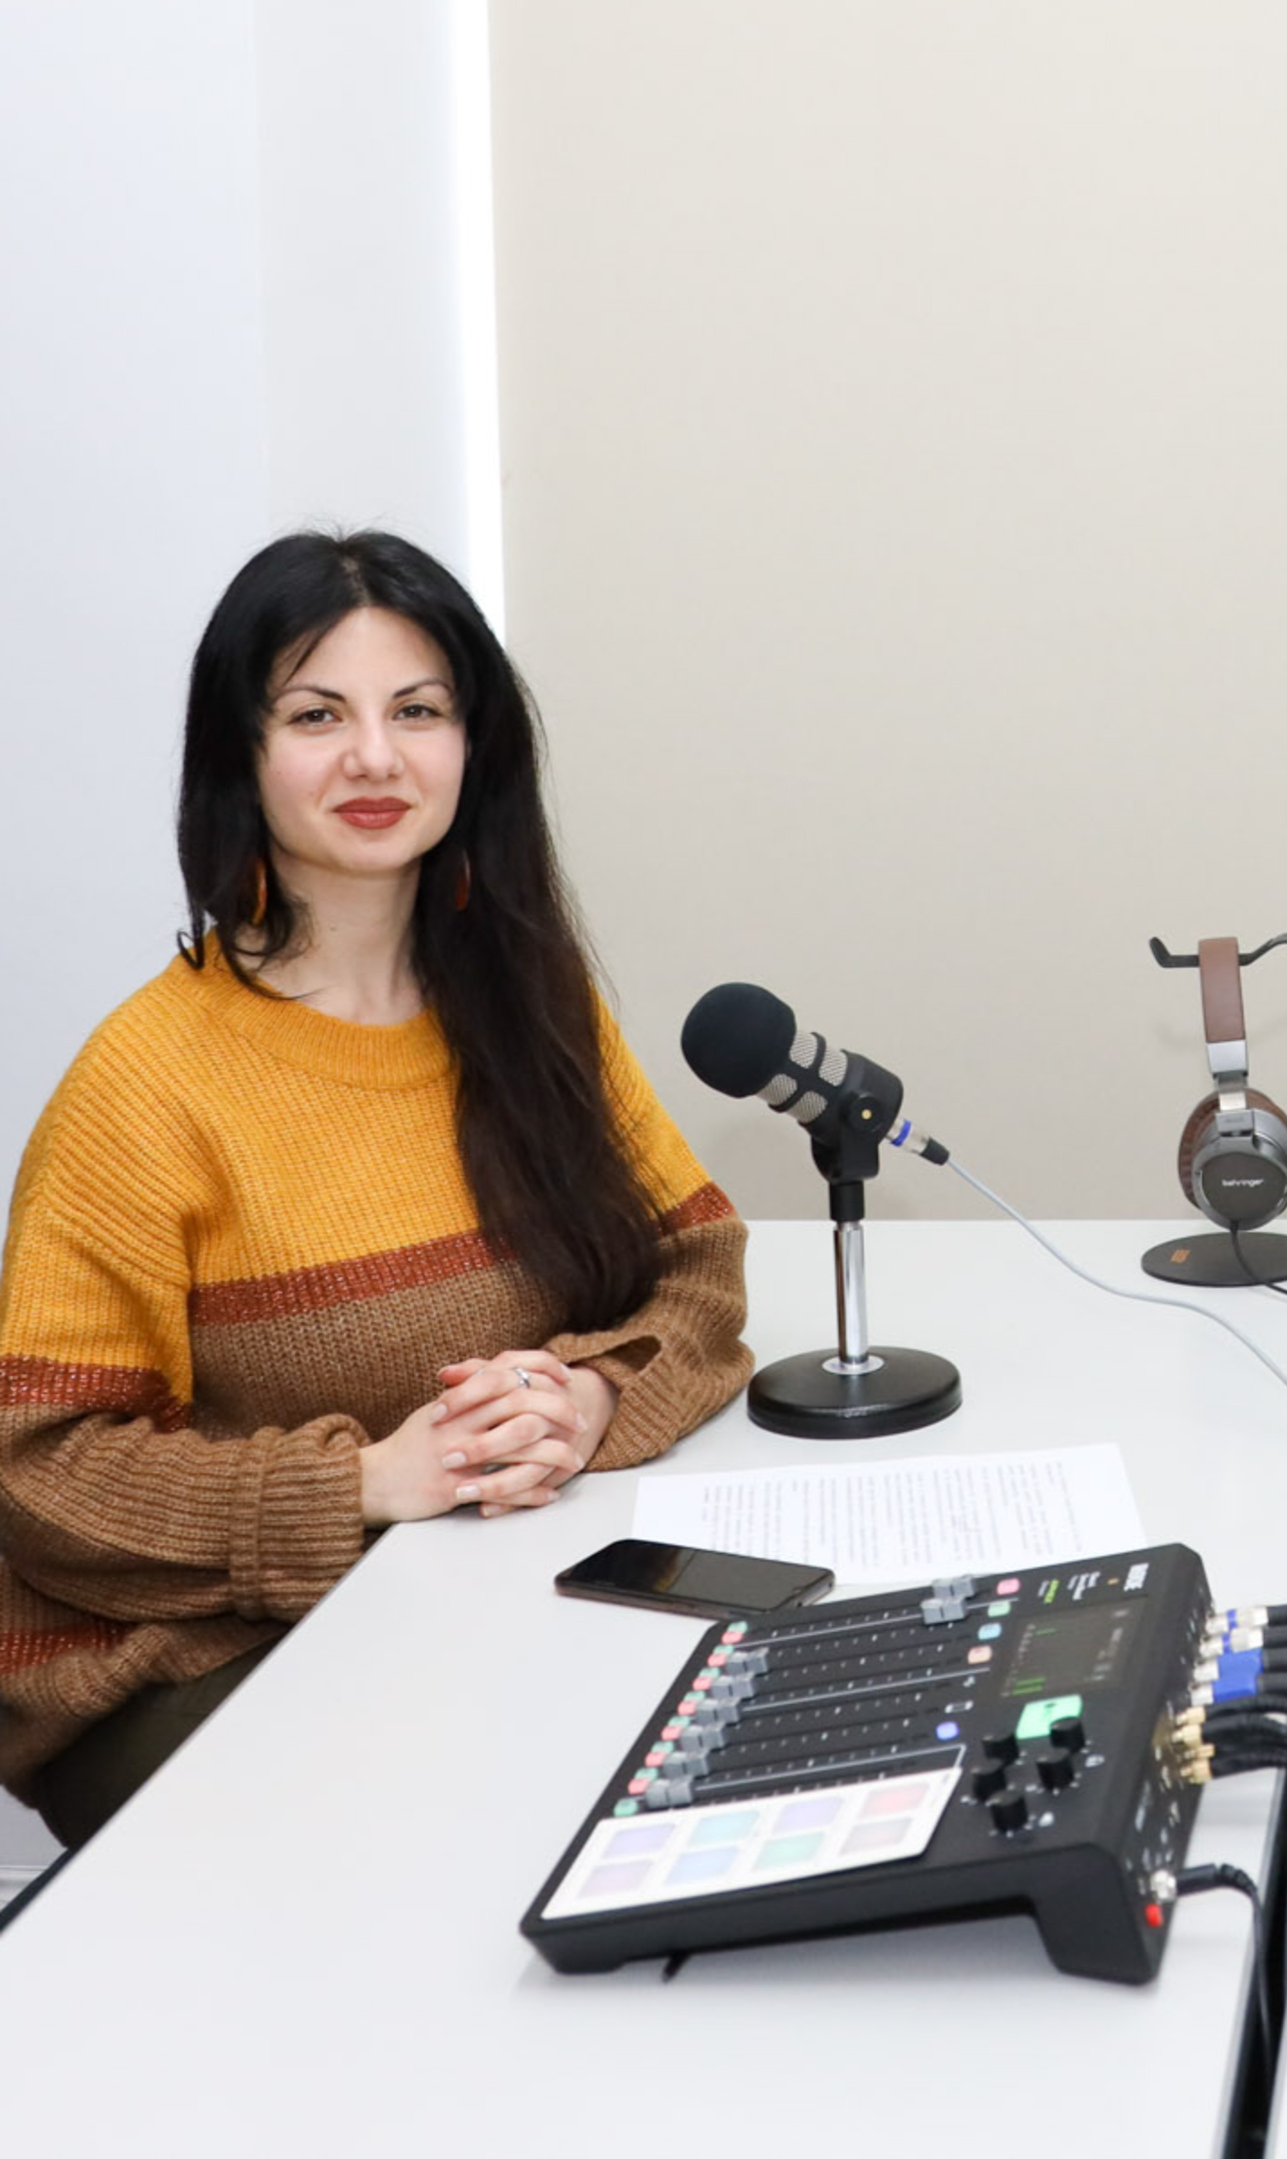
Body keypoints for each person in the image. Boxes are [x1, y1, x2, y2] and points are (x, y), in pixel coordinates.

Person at [0, 531, 752, 1849]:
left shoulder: (532, 1007)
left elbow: (698, 1266)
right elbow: (38, 1474)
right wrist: (362, 1484)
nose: (374, 758)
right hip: (191, 1661)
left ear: (474, 745)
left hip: (481, 1588)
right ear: (240, 754)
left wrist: (587, 1398)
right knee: (504, 1835)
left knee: (724, 1751)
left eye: (417, 711)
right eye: (316, 715)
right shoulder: (146, 1081)